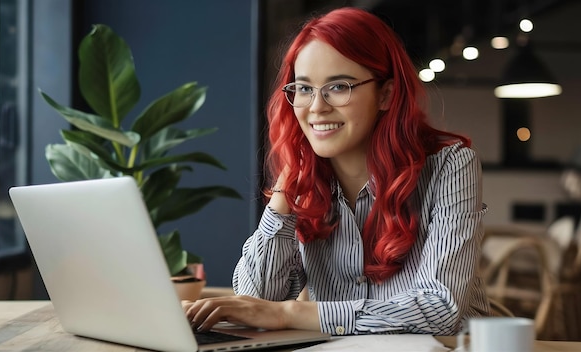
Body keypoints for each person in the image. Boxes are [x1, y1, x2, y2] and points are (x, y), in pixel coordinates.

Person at [184, 6, 490, 336]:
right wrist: (282, 199)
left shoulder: (451, 166)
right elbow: (253, 301)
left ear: (385, 94)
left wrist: (290, 313)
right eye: (303, 88)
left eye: (339, 86)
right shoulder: (305, 181)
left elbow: (440, 309)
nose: (317, 107)